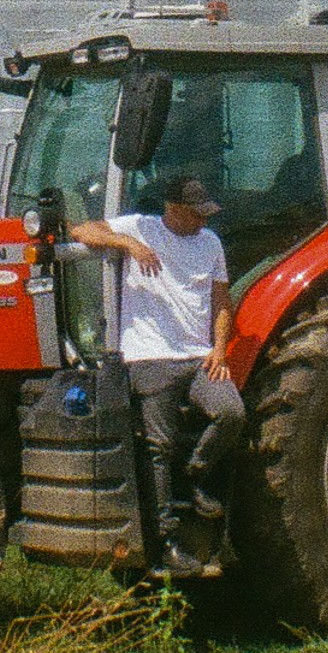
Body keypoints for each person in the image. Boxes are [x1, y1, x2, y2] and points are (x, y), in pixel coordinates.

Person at [70, 175, 246, 569]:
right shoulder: (141, 227)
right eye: (197, 213)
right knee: (158, 447)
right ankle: (166, 541)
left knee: (231, 413)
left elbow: (221, 301)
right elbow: (81, 231)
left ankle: (195, 472)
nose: (204, 219)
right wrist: (128, 244)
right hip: (150, 357)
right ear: (174, 209)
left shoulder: (211, 242)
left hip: (199, 357)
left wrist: (219, 348)